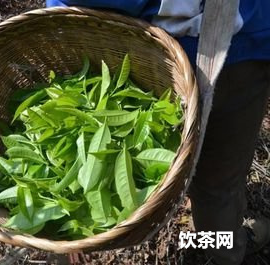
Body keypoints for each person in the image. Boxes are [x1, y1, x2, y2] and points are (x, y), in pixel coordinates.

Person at [46, 1, 270, 264]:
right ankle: (226, 249)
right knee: (217, 189)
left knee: (61, 189)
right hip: (225, 52)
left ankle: (63, 242)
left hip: (103, 43)